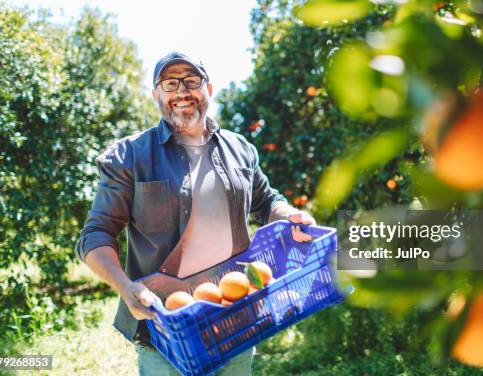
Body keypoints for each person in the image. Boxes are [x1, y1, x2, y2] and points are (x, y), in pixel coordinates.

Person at [74, 51, 316, 376]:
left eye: (191, 81)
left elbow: (266, 200)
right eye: (170, 83)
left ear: (209, 89)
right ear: (156, 95)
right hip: (167, 332)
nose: (182, 92)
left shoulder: (240, 149)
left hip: (236, 319)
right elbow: (96, 234)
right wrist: (124, 286)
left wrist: (289, 215)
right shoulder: (130, 156)